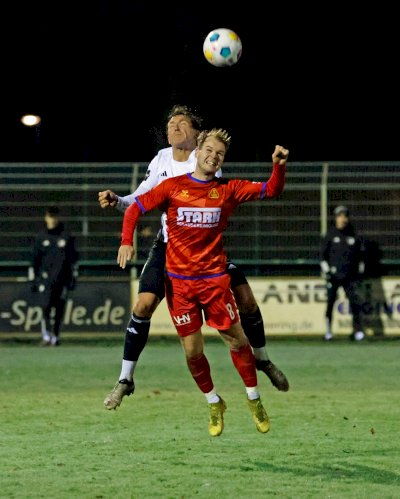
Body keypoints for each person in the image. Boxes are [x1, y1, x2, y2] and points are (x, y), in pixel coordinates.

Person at [99, 105, 289, 411]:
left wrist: (276, 169)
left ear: (196, 135)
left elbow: (218, 199)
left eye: (181, 123)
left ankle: (263, 361)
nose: (173, 126)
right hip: (168, 248)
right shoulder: (161, 158)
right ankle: (125, 379)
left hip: (204, 249)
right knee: (144, 304)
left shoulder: (207, 159)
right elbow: (141, 198)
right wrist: (119, 201)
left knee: (247, 299)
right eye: (170, 122)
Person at [29, 206, 79, 346]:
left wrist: (72, 278)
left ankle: (55, 337)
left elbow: (73, 260)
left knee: (59, 309)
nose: (52, 220)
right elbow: (34, 261)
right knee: (45, 307)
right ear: (46, 218)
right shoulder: (41, 237)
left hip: (62, 280)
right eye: (50, 217)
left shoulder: (66, 236)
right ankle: (46, 336)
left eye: (54, 216)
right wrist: (33, 279)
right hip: (46, 281)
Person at [320, 205, 365, 341]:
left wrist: (359, 273)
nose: (342, 219)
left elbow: (360, 258)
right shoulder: (330, 235)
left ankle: (357, 332)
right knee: (330, 303)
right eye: (340, 216)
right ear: (336, 218)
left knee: (355, 303)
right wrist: (327, 271)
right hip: (333, 277)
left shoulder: (354, 236)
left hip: (349, 277)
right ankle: (328, 332)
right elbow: (322, 257)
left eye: (345, 216)